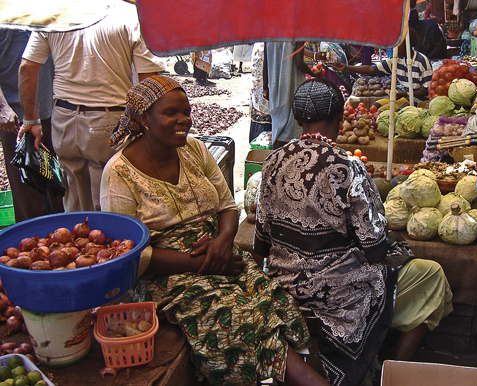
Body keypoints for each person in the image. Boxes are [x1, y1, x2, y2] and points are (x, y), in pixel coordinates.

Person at [100, 75, 330, 386]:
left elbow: (226, 206)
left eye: (186, 112)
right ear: (144, 120)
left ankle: (287, 376)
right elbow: (130, 255)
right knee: (235, 318)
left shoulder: (194, 149)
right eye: (171, 114)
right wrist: (202, 264)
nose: (184, 121)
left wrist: (223, 243)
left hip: (218, 252)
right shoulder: (119, 173)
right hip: (166, 274)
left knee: (274, 300)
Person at [254, 78, 453, 385]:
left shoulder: (271, 162)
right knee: (432, 275)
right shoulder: (346, 167)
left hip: (283, 284)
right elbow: (374, 247)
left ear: (296, 119)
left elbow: (262, 242)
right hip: (336, 296)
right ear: (340, 117)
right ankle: (391, 371)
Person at [18, 0, 165, 213]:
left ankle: (77, 242)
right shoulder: (130, 15)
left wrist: (31, 120)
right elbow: (148, 82)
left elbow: (27, 68)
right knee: (109, 201)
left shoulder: (53, 14)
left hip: (64, 119)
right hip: (109, 120)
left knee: (74, 200)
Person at [0, 29, 63, 221]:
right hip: (17, 117)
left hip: (55, 109)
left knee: (60, 189)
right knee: (29, 195)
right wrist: (2, 107)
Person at [331, 28, 432, 104]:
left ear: (407, 44)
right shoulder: (396, 60)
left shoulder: (422, 61)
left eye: (398, 44)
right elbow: (371, 69)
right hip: (404, 99)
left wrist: (406, 94)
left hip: (419, 101)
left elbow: (426, 90)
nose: (395, 47)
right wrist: (346, 67)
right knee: (377, 106)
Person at [263, 41, 327, 149]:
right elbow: (299, 62)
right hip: (291, 84)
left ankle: (276, 158)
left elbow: (265, 61)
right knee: (290, 126)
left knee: (278, 123)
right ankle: (287, 158)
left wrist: (265, 86)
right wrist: (313, 73)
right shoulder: (297, 32)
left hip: (275, 84)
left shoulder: (270, 32)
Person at [249, 42, 272, 143]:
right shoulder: (266, 42)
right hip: (263, 71)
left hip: (262, 66)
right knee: (264, 106)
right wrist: (265, 86)